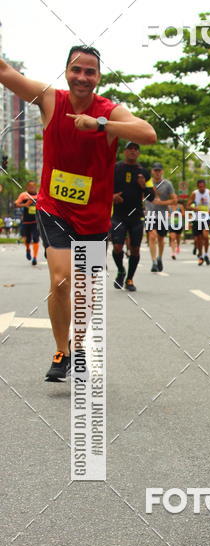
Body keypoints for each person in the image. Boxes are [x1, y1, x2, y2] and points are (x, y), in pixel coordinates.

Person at [0, 45, 156, 381]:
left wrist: (100, 125)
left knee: (84, 289)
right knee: (60, 280)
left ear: (98, 77)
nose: (82, 77)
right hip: (54, 208)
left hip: (95, 216)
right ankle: (61, 349)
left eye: (90, 71)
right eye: (76, 70)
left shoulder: (110, 112)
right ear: (66, 72)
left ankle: (79, 344)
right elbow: (5, 73)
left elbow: (148, 133)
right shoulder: (49, 100)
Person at [111, 141, 152, 291]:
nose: (133, 151)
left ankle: (129, 279)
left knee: (135, 249)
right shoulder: (115, 168)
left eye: (136, 149)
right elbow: (103, 187)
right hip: (118, 215)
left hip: (136, 216)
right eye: (130, 149)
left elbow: (151, 196)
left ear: (138, 153)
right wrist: (112, 196)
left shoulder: (144, 172)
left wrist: (143, 186)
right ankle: (121, 270)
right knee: (117, 247)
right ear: (125, 152)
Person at [145, 163, 176, 272]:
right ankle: (153, 262)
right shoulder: (147, 183)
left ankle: (159, 258)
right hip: (150, 214)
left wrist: (162, 202)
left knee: (161, 239)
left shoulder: (167, 184)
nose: (157, 172)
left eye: (159, 170)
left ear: (162, 171)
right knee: (152, 236)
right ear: (152, 171)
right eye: (155, 170)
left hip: (162, 215)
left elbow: (174, 200)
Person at [15, 180, 40, 265]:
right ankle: (28, 249)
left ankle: (35, 258)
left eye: (33, 186)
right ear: (27, 187)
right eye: (30, 186)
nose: (32, 187)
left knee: (36, 238)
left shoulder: (39, 195)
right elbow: (16, 203)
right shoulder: (24, 195)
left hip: (36, 221)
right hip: (26, 222)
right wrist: (25, 205)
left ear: (36, 187)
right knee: (27, 239)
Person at [191, 178, 210, 265]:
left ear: (205, 186)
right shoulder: (194, 194)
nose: (201, 188)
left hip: (206, 218)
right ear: (197, 187)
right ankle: (200, 256)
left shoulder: (209, 193)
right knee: (199, 239)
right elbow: (188, 205)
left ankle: (206, 254)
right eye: (200, 187)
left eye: (203, 186)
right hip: (197, 219)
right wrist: (194, 208)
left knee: (205, 236)